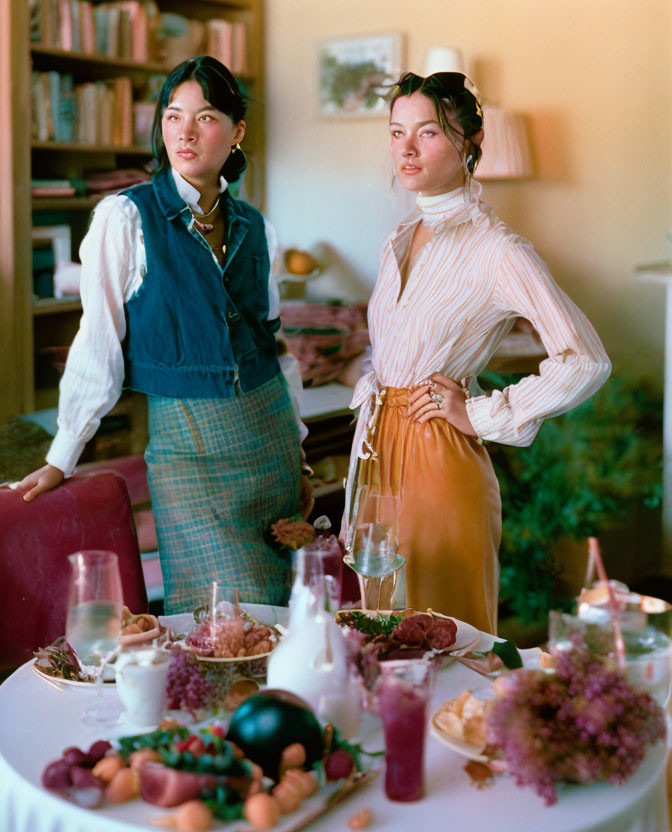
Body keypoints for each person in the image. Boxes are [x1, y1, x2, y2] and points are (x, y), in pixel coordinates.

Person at [11, 56, 312, 613]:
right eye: (173, 116)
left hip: (272, 446)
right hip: (192, 455)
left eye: (205, 117)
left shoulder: (256, 226)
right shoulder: (124, 219)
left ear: (237, 131)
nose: (185, 132)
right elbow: (96, 340)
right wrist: (64, 453)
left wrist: (297, 447)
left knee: (283, 618)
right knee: (218, 626)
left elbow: (273, 347)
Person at [342, 71, 611, 634]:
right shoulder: (397, 238)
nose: (406, 148)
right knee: (376, 634)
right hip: (375, 452)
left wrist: (479, 412)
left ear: (469, 143)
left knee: (442, 638)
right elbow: (394, 346)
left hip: (438, 456)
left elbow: (585, 359)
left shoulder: (497, 249)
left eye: (428, 133)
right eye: (396, 132)